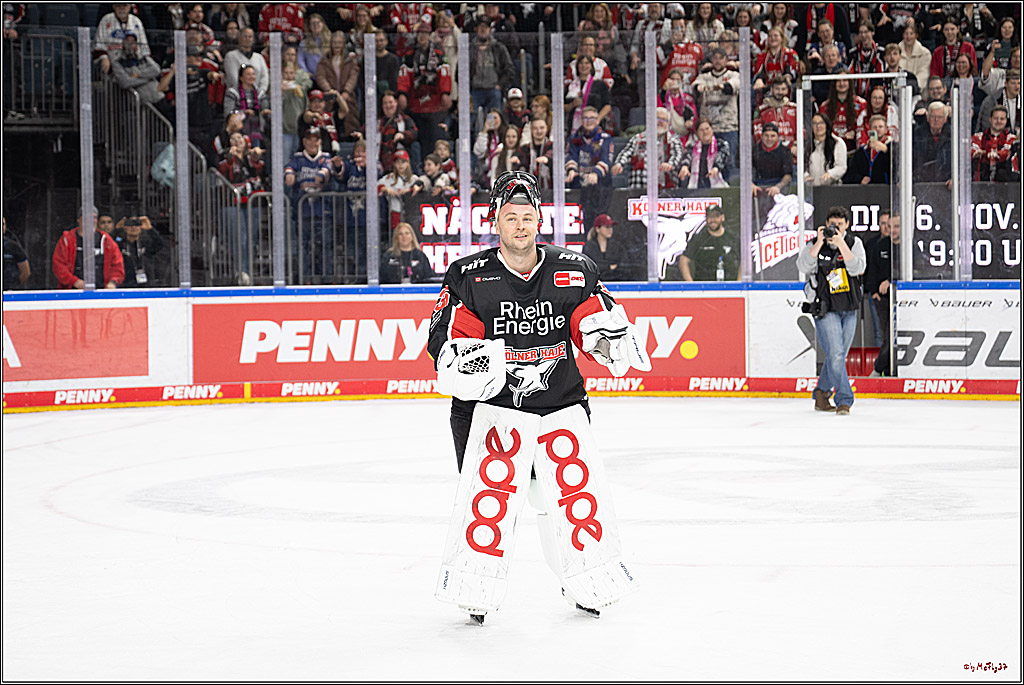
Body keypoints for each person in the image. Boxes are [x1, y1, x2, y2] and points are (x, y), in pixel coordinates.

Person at [427, 170, 647, 624]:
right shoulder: (468, 275)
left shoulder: (574, 269)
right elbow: (445, 339)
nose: (521, 225)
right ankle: (476, 584)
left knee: (558, 500)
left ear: (539, 219)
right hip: (489, 414)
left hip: (558, 406)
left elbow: (594, 324)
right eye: (511, 217)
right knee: (488, 496)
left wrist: (608, 341)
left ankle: (581, 582)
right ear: (496, 221)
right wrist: (461, 364)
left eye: (528, 216)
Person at [796, 205, 866, 415]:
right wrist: (819, 243)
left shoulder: (854, 243)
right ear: (825, 225)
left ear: (847, 226)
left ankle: (821, 393)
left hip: (849, 306)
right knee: (836, 354)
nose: (834, 229)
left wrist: (842, 244)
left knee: (838, 355)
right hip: (825, 308)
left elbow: (858, 268)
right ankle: (844, 399)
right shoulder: (814, 244)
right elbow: (803, 266)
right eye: (831, 225)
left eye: (839, 225)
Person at [397, 20, 452, 156]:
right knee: (417, 139)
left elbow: (444, 73)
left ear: (430, 35)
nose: (422, 37)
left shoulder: (438, 53)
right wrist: (402, 94)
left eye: (425, 34)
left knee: (433, 140)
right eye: (420, 34)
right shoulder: (409, 54)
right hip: (416, 105)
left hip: (435, 107)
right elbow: (404, 75)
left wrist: (445, 93)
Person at [611, 107, 684, 190]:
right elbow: (626, 153)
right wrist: (619, 164)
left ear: (669, 124)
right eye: (658, 118)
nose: (661, 122)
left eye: (665, 120)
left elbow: (678, 156)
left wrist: (670, 164)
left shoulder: (674, 140)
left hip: (666, 191)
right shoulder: (638, 138)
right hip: (639, 187)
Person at [52, 208, 125, 290]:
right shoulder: (67, 240)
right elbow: (59, 266)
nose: (91, 220)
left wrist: (112, 282)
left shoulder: (106, 241)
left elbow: (117, 265)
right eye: (87, 217)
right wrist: (74, 281)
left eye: (94, 217)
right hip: (73, 293)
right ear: (78, 220)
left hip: (101, 293)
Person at [693, 47, 740, 168]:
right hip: (708, 129)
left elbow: (732, 87)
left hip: (728, 127)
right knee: (707, 162)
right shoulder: (704, 77)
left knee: (728, 162)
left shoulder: (733, 75)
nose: (718, 61)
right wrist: (698, 88)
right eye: (715, 58)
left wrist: (721, 86)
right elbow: (694, 87)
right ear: (711, 61)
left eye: (721, 58)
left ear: (726, 60)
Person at [866, 213, 900, 377]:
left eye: (897, 226)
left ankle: (882, 368)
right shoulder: (879, 245)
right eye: (890, 226)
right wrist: (873, 292)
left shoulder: (910, 246)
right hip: (883, 299)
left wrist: (891, 281)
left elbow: (917, 270)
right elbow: (871, 271)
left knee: (897, 335)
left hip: (906, 299)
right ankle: (883, 369)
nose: (892, 230)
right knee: (886, 335)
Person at [468, 17, 514, 123]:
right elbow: (460, 71)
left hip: (493, 91)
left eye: (486, 27)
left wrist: (500, 85)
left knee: (493, 122)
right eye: (481, 27)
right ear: (476, 29)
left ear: (490, 29)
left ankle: (492, 139)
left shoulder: (499, 48)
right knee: (473, 121)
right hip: (475, 91)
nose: (483, 30)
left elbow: (509, 69)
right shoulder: (469, 48)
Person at [679, 205, 739, 282]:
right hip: (704, 289)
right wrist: (691, 285)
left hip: (729, 288)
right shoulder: (699, 239)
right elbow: (683, 260)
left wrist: (739, 283)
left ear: (722, 217)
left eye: (716, 216)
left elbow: (744, 260)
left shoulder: (732, 238)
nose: (712, 220)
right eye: (709, 217)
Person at [94, 3, 150, 75]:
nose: (122, 8)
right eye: (119, 6)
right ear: (114, 6)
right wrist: (104, 58)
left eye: (125, 6)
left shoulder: (136, 21)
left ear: (130, 7)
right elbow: (99, 45)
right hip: (113, 61)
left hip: (134, 62)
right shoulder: (106, 20)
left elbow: (144, 46)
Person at [566, 106, 613, 189]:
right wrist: (571, 170)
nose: (588, 121)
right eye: (585, 118)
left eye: (592, 118)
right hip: (578, 185)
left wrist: (595, 173)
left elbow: (606, 160)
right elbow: (570, 156)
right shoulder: (574, 138)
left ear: (598, 120)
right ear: (581, 121)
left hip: (601, 186)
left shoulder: (606, 138)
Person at [112, 215, 165, 288]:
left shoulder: (146, 244)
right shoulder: (119, 245)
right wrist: (116, 230)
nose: (133, 227)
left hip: (146, 285)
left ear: (141, 227)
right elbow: (108, 245)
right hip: (125, 285)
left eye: (137, 224)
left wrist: (150, 229)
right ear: (125, 227)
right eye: (130, 224)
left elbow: (160, 244)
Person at [110, 32, 163, 105]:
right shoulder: (117, 62)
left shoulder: (144, 58)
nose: (130, 45)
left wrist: (138, 74)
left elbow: (157, 70)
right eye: (127, 42)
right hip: (141, 103)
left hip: (158, 97)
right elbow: (124, 82)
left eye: (133, 42)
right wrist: (148, 79)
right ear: (122, 44)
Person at [566, 54, 613, 136]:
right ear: (577, 66)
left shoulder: (600, 84)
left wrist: (596, 120)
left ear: (591, 66)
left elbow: (607, 106)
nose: (584, 66)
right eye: (581, 63)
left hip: (595, 126)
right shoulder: (571, 85)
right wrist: (572, 104)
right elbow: (562, 107)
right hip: (574, 128)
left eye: (587, 63)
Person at [678, 118, 731, 189]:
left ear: (712, 129)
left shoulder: (722, 144)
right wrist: (685, 166)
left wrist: (716, 167)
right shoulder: (691, 146)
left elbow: (722, 156)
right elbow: (687, 156)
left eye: (707, 129)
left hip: (718, 186)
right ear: (696, 133)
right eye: (701, 130)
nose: (705, 132)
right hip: (697, 187)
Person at [972, 106, 1018, 182]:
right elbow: (972, 149)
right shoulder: (978, 137)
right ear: (990, 119)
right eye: (995, 118)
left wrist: (998, 154)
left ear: (1006, 121)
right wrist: (975, 154)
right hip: (980, 184)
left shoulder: (1012, 138)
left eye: (1002, 119)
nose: (998, 121)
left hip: (1004, 185)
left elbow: (1008, 152)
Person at [913, 101, 953, 184]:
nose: (936, 120)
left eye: (940, 117)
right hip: (921, 183)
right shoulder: (917, 135)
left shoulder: (953, 136)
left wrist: (955, 178)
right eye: (933, 116)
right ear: (927, 117)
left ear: (945, 119)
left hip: (945, 184)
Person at [847, 114, 893, 184]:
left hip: (887, 190)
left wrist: (886, 150)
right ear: (870, 130)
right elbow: (850, 174)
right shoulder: (862, 151)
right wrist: (860, 179)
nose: (877, 129)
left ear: (886, 129)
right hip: (866, 191)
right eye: (874, 127)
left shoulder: (894, 148)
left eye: (880, 127)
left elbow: (897, 169)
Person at [805, 112, 848, 186]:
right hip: (811, 188)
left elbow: (842, 167)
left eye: (821, 123)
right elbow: (802, 166)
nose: (818, 126)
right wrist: (805, 176)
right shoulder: (806, 144)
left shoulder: (838, 143)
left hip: (832, 188)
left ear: (827, 125)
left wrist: (831, 173)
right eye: (814, 123)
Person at [752, 122, 794, 196]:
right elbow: (746, 171)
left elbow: (788, 176)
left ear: (778, 137)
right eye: (766, 135)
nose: (769, 139)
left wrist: (778, 187)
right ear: (761, 136)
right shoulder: (754, 151)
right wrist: (750, 184)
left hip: (779, 187)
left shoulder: (785, 151)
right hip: (758, 186)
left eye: (772, 136)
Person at [222, 27, 268, 93]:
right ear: (239, 38)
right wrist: (245, 94)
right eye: (245, 36)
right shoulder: (231, 56)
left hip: (257, 97)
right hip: (236, 97)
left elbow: (264, 77)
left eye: (250, 36)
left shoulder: (259, 57)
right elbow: (233, 79)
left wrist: (260, 92)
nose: (248, 39)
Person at [582, 214, 625, 282]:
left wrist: (603, 267)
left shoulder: (617, 246)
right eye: (607, 227)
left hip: (616, 283)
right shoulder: (589, 247)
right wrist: (609, 267)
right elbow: (589, 267)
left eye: (611, 227)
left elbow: (623, 265)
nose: (610, 229)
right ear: (597, 229)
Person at [517, 117, 554, 189]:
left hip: (549, 190)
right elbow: (520, 160)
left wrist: (547, 159)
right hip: (529, 191)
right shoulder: (525, 148)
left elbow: (553, 159)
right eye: (535, 128)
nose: (539, 131)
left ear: (547, 128)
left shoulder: (553, 146)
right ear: (531, 130)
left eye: (542, 128)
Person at [900, 22, 933, 91]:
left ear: (916, 35)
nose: (908, 37)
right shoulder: (895, 52)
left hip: (919, 91)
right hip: (899, 90)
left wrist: (913, 88)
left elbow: (923, 74)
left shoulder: (925, 53)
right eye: (906, 34)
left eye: (911, 34)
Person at [3, 217, 30, 290]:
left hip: (9, 291)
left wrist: (15, 288)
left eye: (3, 224)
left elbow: (25, 272)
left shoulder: (13, 246)